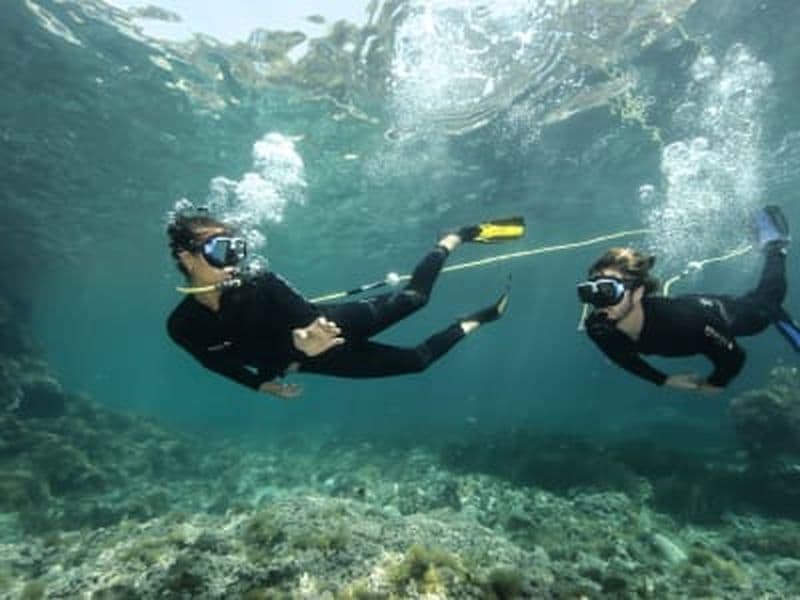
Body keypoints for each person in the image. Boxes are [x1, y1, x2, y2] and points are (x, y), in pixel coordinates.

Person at [166, 211, 523, 398]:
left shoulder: (261, 282)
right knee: (417, 362)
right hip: (308, 361)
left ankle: (451, 239)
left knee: (417, 298)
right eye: (219, 251)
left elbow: (308, 319)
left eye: (236, 250)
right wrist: (257, 384)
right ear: (187, 257)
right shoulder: (182, 326)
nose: (233, 262)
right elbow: (212, 361)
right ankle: (479, 318)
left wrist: (307, 336)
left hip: (334, 327)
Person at [578, 205, 798, 393]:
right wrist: (664, 380)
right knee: (756, 302)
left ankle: (775, 247)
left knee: (768, 301)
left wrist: (715, 384)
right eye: (589, 292)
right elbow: (623, 359)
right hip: (691, 306)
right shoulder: (598, 328)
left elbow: (735, 357)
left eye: (607, 291)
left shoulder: (687, 324)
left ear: (638, 292)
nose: (598, 303)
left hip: (719, 315)